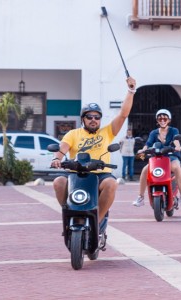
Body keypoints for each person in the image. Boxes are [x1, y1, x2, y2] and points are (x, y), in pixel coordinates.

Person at [51, 76, 137, 227]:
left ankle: (97, 221)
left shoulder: (107, 132)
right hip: (76, 172)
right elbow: (62, 148)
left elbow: (123, 114)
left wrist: (131, 91)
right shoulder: (73, 134)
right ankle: (68, 212)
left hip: (100, 174)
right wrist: (56, 158)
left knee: (112, 184)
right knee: (58, 182)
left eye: (97, 117)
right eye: (89, 116)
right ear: (83, 119)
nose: (93, 119)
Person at [132, 109, 181, 207]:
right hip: (157, 158)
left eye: (165, 118)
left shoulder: (173, 130)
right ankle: (140, 197)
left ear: (169, 120)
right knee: (145, 170)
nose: (162, 120)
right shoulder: (154, 133)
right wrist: (143, 150)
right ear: (157, 120)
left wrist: (178, 147)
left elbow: (176, 140)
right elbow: (148, 143)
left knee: (177, 168)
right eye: (160, 118)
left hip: (171, 156)